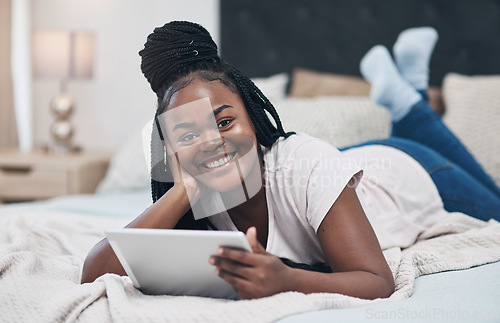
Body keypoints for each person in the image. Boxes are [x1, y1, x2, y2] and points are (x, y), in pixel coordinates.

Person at [81, 22, 500, 300]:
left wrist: (289, 281)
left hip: (416, 174)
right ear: (168, 150)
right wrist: (185, 189)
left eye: (224, 122)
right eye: (187, 135)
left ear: (252, 116)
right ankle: (407, 92)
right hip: (351, 169)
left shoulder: (306, 161)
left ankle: (408, 104)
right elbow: (95, 273)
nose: (210, 142)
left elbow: (378, 281)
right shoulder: (194, 192)